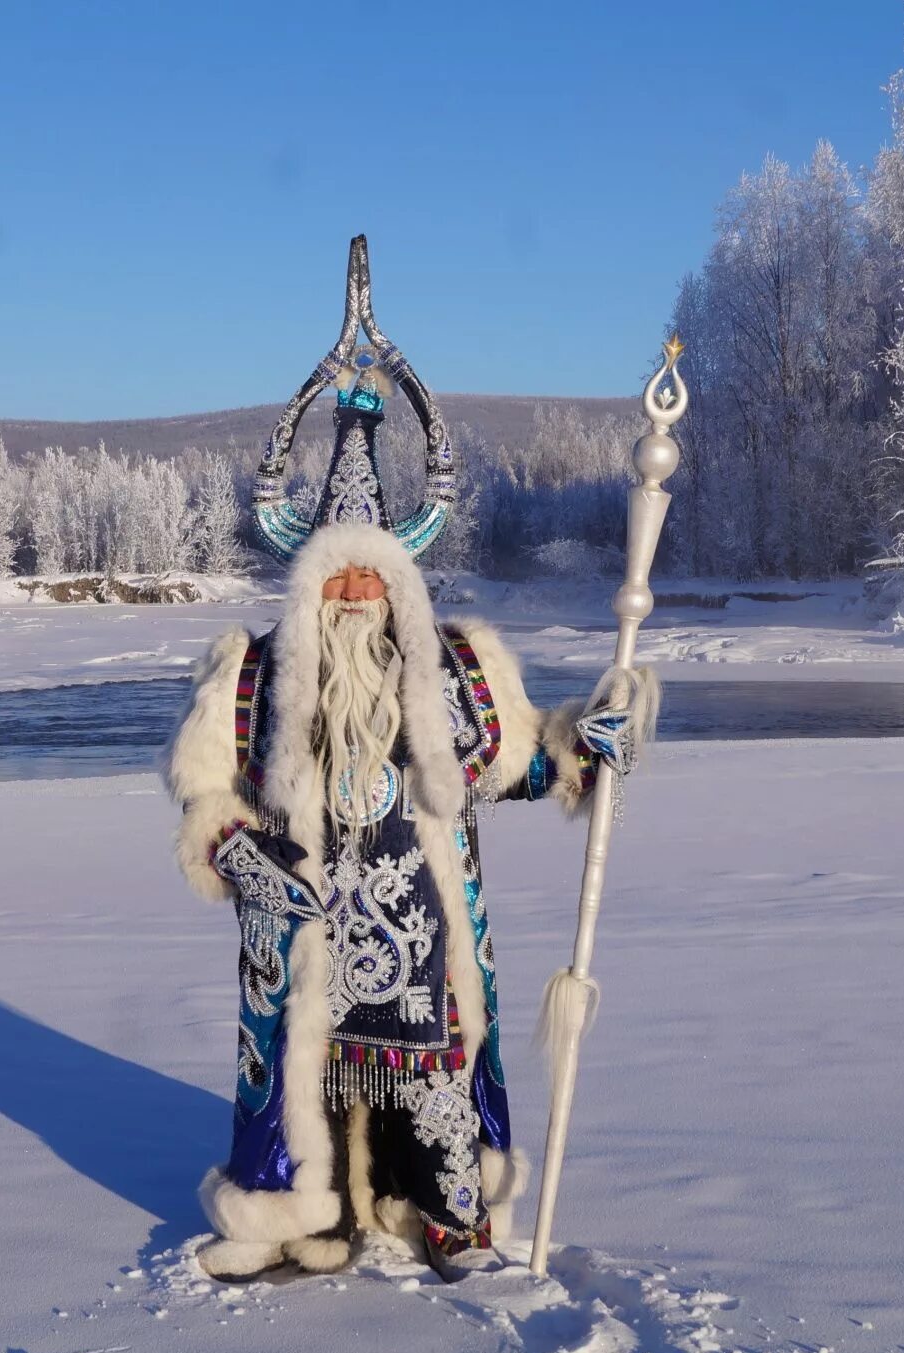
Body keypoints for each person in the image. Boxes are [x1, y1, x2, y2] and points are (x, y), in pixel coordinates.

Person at [163, 237, 655, 1283]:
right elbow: (205, 788)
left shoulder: (455, 671)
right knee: (307, 1070)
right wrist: (238, 852)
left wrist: (586, 746)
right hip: (300, 930)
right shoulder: (250, 673)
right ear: (308, 585)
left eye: (368, 582)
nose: (350, 598)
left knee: (429, 1070)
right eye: (334, 581)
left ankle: (441, 1211)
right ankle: (311, 1216)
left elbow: (521, 764)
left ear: (397, 587)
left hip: (422, 933)